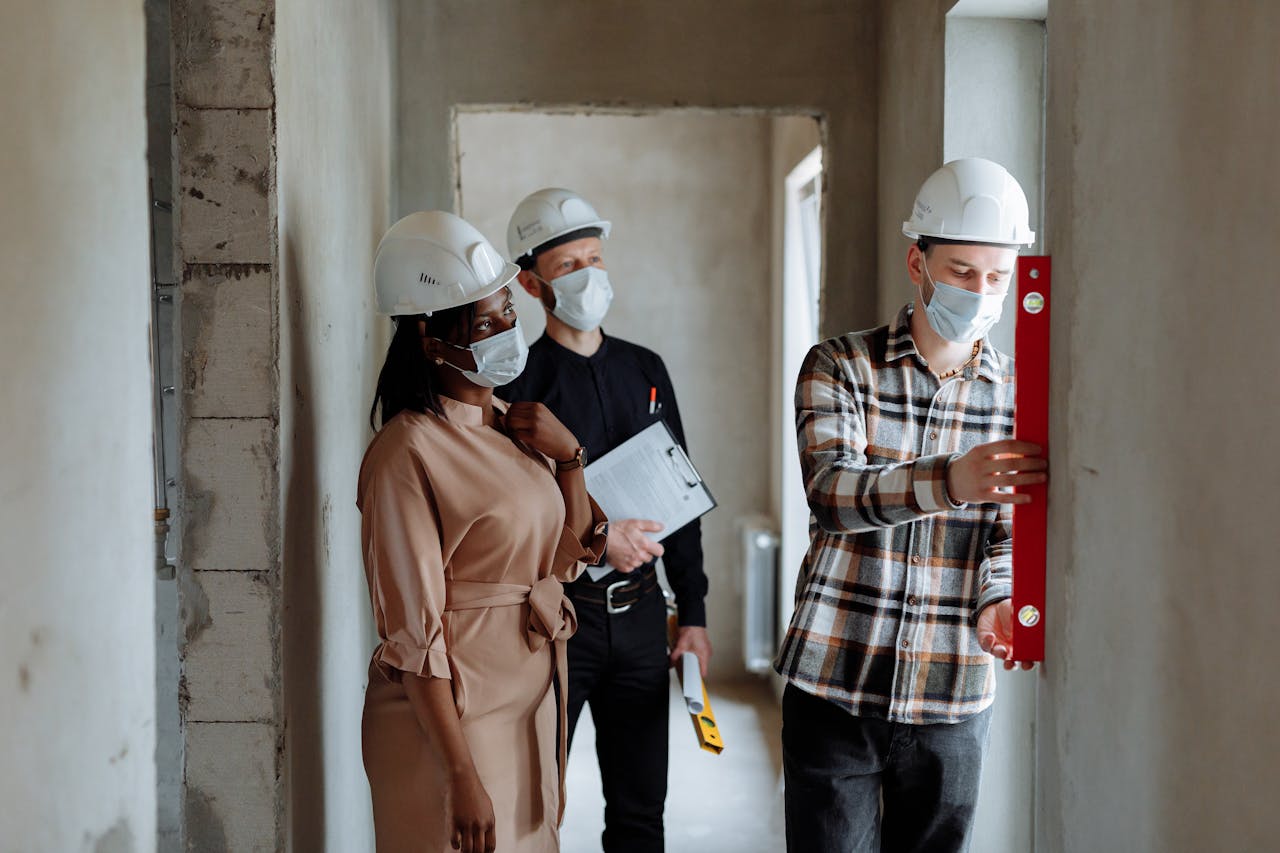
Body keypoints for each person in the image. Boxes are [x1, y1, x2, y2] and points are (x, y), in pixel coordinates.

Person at [775, 158, 1050, 853]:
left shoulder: (1019, 395)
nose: (981, 291)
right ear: (916, 261)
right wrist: (952, 478)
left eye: (997, 275)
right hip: (836, 681)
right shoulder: (840, 366)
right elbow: (833, 493)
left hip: (951, 693)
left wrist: (997, 598)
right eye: (961, 270)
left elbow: (1007, 530)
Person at [357, 210, 608, 853]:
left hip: (530, 700)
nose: (505, 332)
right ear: (429, 338)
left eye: (506, 313)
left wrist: (571, 458)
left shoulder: (511, 421)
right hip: (452, 724)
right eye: (485, 322)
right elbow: (415, 633)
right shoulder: (405, 452)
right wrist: (461, 773)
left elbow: (566, 560)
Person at [496, 188, 710, 852]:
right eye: (568, 266)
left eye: (595, 258)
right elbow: (511, 521)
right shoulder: (520, 384)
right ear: (532, 283)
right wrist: (592, 546)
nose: (588, 274)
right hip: (561, 624)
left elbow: (682, 495)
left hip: (645, 620)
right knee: (535, 804)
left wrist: (694, 614)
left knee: (641, 811)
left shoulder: (645, 368)